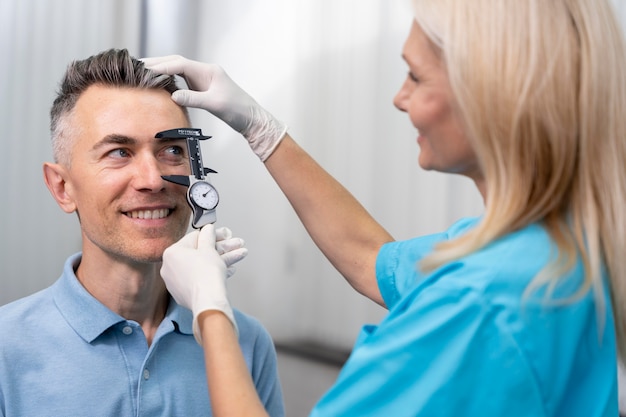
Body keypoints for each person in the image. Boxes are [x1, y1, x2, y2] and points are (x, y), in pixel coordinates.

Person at [145, 0, 626, 415]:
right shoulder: (549, 247)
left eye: (416, 76)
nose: (399, 98)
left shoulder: (480, 306)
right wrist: (261, 128)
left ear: (494, 96)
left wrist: (210, 307)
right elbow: (370, 257)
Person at [0, 48, 285, 417]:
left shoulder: (245, 343)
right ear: (62, 187)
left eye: (170, 150)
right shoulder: (7, 349)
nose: (153, 180)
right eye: (119, 152)